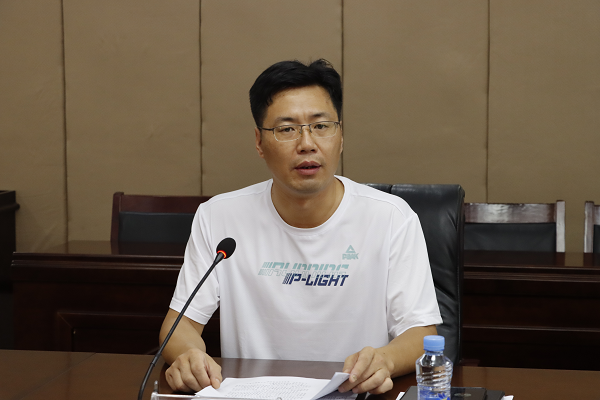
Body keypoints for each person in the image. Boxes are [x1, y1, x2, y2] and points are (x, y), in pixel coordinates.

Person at [160, 59, 441, 395]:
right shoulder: (219, 217)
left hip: (352, 393)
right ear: (259, 142)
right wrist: (189, 356)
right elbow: (179, 326)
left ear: (341, 136)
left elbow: (422, 334)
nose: (307, 143)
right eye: (287, 129)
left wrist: (385, 360)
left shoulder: (391, 218)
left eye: (321, 126)